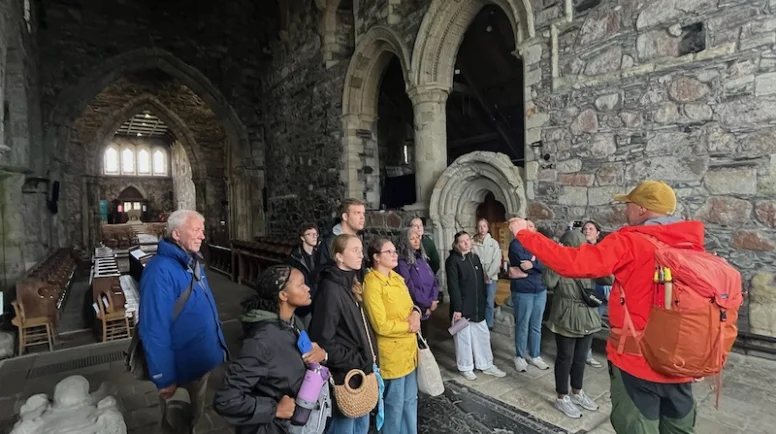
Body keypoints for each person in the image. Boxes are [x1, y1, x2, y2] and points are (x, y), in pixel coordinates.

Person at [508, 180, 699, 434]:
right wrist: (698, 357)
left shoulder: (631, 242)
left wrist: (525, 234)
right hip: (680, 365)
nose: (625, 209)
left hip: (638, 366)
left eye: (628, 204)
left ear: (642, 209)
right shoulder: (690, 246)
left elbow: (571, 263)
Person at [139, 209, 228, 434]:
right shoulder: (159, 271)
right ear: (177, 234)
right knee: (177, 423)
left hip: (196, 363)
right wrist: (165, 377)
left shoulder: (189, 262)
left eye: (202, 230)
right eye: (196, 230)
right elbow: (153, 329)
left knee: (192, 419)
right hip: (181, 368)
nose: (202, 236)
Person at [213, 265, 328, 434]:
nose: (307, 288)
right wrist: (274, 409)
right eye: (300, 285)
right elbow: (226, 399)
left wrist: (318, 354)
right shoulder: (261, 341)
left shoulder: (293, 322)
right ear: (283, 295)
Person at [308, 234, 377, 434]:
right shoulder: (331, 289)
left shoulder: (350, 282)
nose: (361, 254)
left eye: (360, 249)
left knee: (360, 428)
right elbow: (323, 341)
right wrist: (358, 358)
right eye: (354, 250)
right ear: (339, 256)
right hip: (346, 374)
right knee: (344, 428)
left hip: (360, 369)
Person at [543, 230, 603, 419]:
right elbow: (548, 282)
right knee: (565, 357)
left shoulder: (588, 261)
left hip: (587, 316)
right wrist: (557, 258)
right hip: (566, 316)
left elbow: (608, 277)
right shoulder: (560, 263)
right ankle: (562, 396)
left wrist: (599, 257)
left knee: (580, 357)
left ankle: (577, 392)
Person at [363, 238, 420, 434]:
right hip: (392, 354)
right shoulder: (372, 283)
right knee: (394, 405)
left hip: (409, 352)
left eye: (395, 251)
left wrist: (416, 314)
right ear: (376, 257)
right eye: (388, 252)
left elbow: (411, 304)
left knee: (410, 400)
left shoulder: (397, 278)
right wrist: (409, 325)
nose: (394, 254)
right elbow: (381, 325)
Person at [445, 231, 507, 381]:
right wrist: (458, 309)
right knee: (463, 337)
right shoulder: (452, 261)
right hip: (461, 308)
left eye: (467, 240)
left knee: (483, 335)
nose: (466, 243)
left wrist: (485, 300)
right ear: (456, 244)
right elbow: (453, 286)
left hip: (477, 305)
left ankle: (485, 363)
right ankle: (465, 367)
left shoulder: (474, 257)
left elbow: (480, 282)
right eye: (462, 241)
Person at [508, 219, 550, 373]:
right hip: (523, 290)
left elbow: (547, 261)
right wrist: (535, 262)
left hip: (540, 288)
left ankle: (535, 355)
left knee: (536, 325)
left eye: (531, 226)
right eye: (525, 226)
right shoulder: (516, 244)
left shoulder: (538, 243)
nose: (528, 229)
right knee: (523, 324)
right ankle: (519, 356)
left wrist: (533, 264)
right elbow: (521, 263)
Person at [395, 227, 439, 339]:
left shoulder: (421, 258)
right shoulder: (402, 262)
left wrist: (434, 299)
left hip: (427, 307)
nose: (416, 241)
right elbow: (409, 287)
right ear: (405, 241)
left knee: (425, 340)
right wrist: (427, 304)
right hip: (416, 308)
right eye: (412, 239)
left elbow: (433, 279)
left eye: (417, 238)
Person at [581, 220, 611, 368]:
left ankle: (587, 354)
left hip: (599, 292)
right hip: (584, 291)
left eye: (591, 229)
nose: (587, 231)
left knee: (592, 325)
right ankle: (581, 354)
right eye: (585, 229)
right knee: (581, 324)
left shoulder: (603, 249)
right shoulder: (580, 248)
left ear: (598, 233)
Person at [286, 222, 321, 327]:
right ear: (302, 237)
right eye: (310, 234)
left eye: (316, 234)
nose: (314, 237)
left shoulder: (320, 255)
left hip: (318, 300)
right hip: (304, 303)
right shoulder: (294, 258)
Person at [317, 199, 366, 271]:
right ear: (345, 216)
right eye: (357, 213)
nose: (362, 217)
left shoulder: (359, 238)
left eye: (363, 213)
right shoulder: (330, 242)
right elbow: (322, 273)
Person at [471, 218, 502, 330]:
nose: (482, 228)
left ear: (487, 228)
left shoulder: (493, 243)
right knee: (479, 299)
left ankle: (489, 323)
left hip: (491, 277)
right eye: (480, 226)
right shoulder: (473, 243)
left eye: (484, 226)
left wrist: (488, 274)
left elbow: (496, 261)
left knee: (489, 300)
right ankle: (480, 320)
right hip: (478, 277)